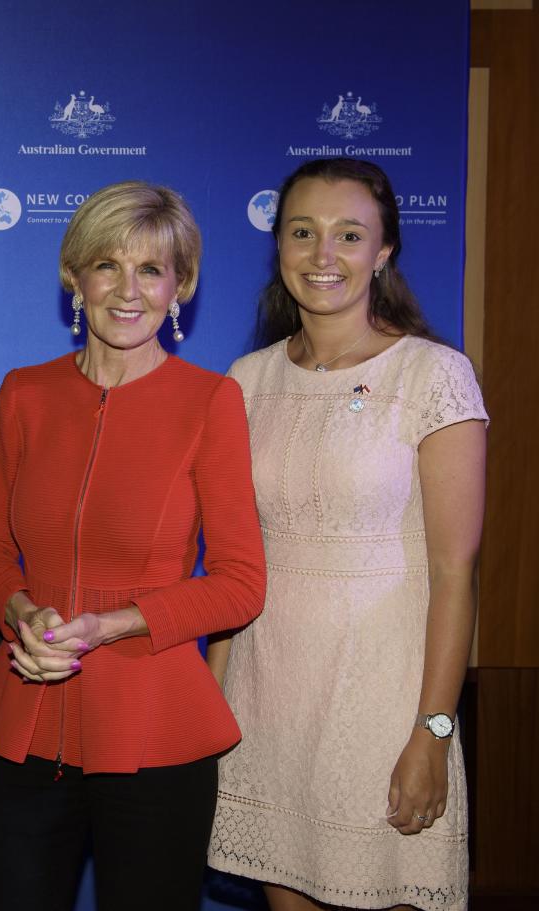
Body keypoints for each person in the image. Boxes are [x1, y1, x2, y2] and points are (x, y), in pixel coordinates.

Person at [0, 180, 266, 911]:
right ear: (75, 276)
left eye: (151, 270)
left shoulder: (209, 400)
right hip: (30, 716)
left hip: (153, 727)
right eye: (107, 265)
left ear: (180, 286)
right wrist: (21, 610)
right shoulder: (24, 393)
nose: (127, 290)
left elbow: (239, 581)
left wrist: (112, 623)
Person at [206, 158, 487, 911]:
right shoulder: (246, 379)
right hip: (267, 700)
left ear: (384, 250)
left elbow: (455, 573)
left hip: (387, 702)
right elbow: (238, 562)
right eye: (304, 232)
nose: (323, 254)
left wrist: (434, 729)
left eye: (349, 234)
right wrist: (210, 701)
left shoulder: (435, 374)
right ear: (280, 246)